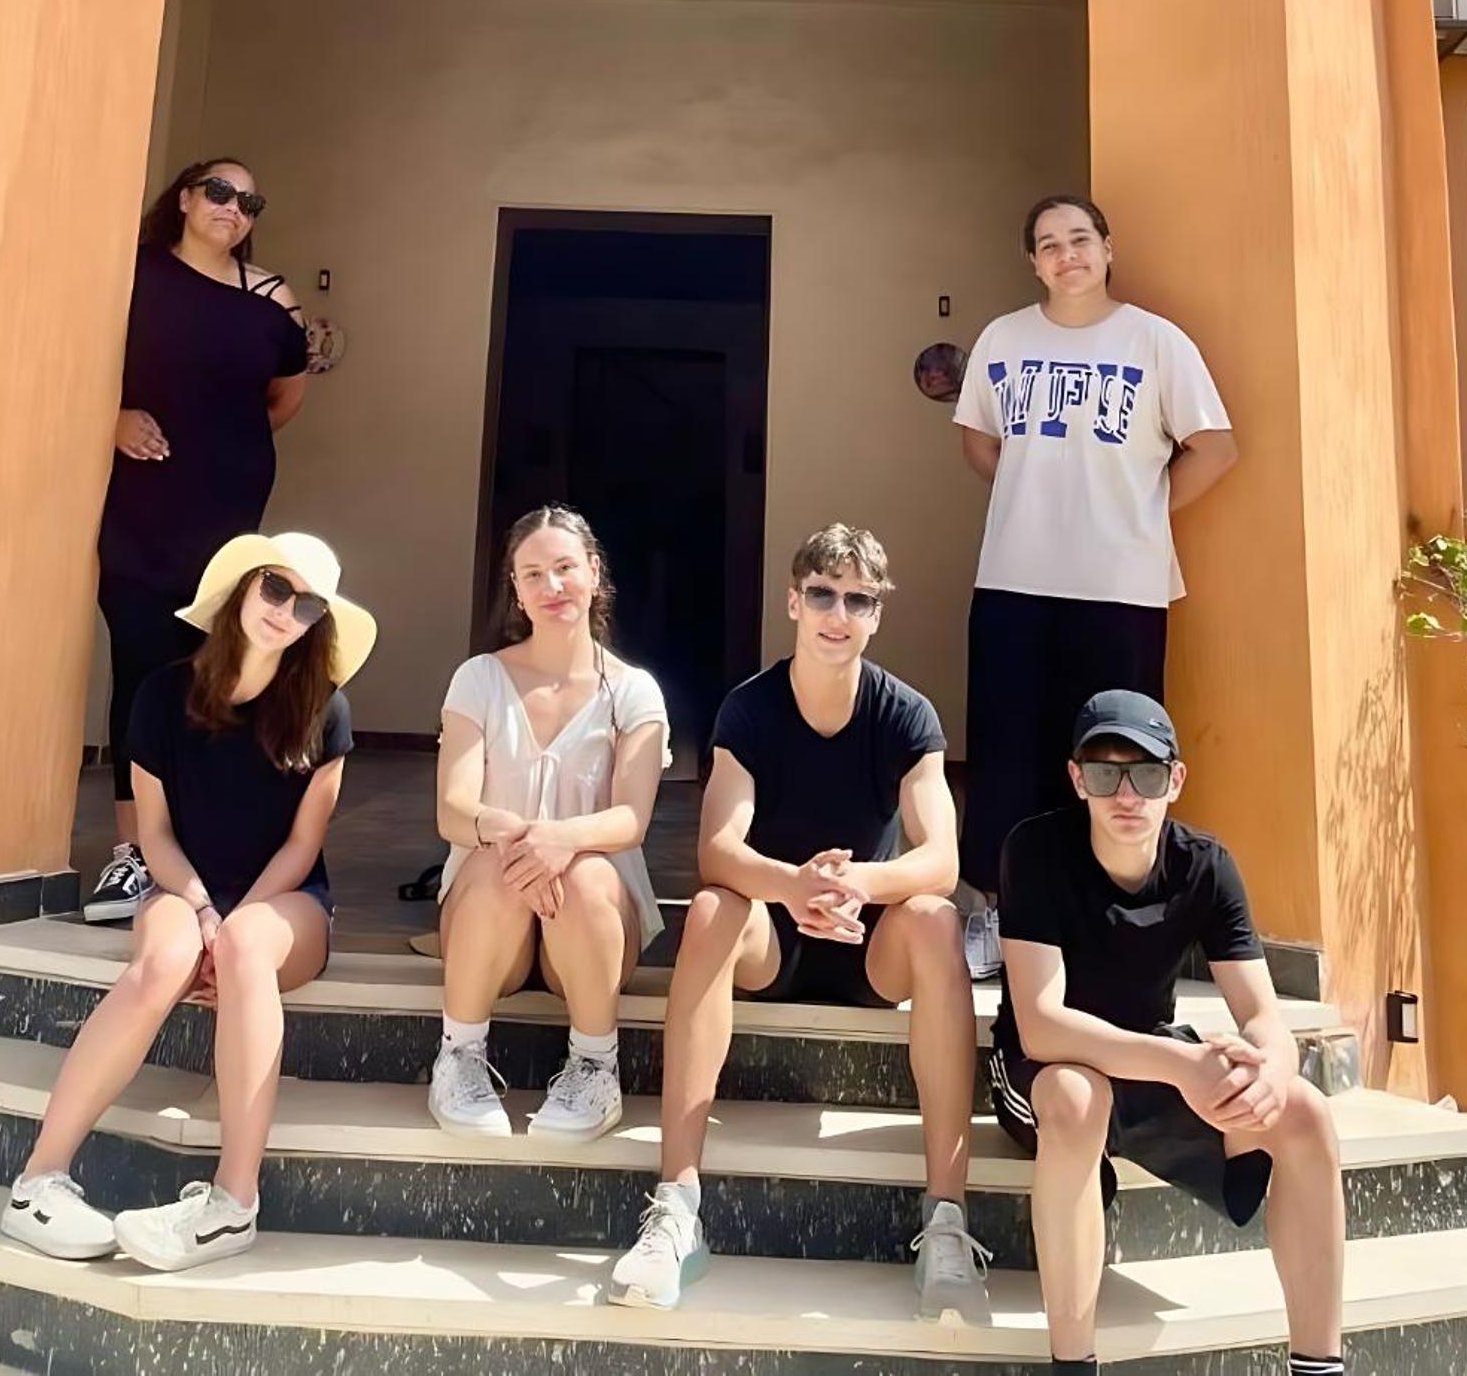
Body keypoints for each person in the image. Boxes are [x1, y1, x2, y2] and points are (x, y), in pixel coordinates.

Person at [609, 524, 989, 1325]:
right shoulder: (750, 708)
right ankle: (676, 1208)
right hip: (773, 938)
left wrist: (852, 885)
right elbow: (717, 849)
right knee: (711, 908)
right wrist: (794, 887)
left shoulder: (906, 714)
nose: (837, 615)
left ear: (877, 613)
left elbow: (941, 858)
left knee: (933, 920)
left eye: (858, 600)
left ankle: (947, 1223)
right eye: (822, 594)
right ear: (793, 601)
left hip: (868, 942)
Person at [1, 533, 375, 1273]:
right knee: (163, 958)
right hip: (184, 885)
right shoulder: (161, 696)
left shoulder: (327, 711)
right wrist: (203, 911)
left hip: (285, 901)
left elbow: (303, 846)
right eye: (275, 588)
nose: (285, 611)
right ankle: (37, 1183)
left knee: (246, 947)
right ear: (242, 588)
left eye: (306, 605)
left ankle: (232, 1206)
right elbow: (155, 835)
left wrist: (230, 929)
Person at [992, 690, 1344, 1376]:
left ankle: (1319, 1367)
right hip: (1050, 1070)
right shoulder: (1035, 850)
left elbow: (1262, 1015)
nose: (1126, 795)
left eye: (1147, 775)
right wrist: (1182, 1066)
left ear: (1175, 780)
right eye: (1105, 773)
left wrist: (1274, 1070)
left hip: (1148, 1057)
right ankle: (1073, 1365)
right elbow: (1041, 1026)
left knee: (1306, 1112)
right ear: (1077, 780)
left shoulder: (1205, 865)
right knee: (1076, 1096)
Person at [954, 193, 1236, 976]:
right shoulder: (1004, 339)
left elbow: (1216, 448)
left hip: (1121, 588)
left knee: (1115, 757)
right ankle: (999, 910)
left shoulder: (1154, 341)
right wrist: (1037, 497)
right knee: (1007, 750)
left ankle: (1102, 918)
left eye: (1080, 238)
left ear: (1108, 249)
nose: (1066, 254)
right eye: (1048, 243)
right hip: (1014, 579)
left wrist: (1140, 508)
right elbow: (977, 440)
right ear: (1032, 261)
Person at [87, 158, 312, 923]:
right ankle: (132, 854)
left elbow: (285, 395)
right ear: (184, 199)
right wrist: (111, 419)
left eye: (249, 201)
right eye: (219, 192)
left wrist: (230, 444)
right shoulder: (136, 274)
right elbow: (80, 364)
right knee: (141, 664)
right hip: (143, 504)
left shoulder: (272, 297)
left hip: (228, 517)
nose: (233, 208)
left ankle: (194, 850)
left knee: (209, 671)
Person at [428, 505, 669, 1142]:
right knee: (494, 865)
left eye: (565, 568)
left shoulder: (634, 691)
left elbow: (631, 818)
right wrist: (521, 843)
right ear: (515, 588)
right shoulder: (479, 679)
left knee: (586, 875)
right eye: (533, 574)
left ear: (594, 573)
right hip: (491, 920)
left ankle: (595, 1066)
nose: (552, 586)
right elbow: (453, 809)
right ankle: (460, 1056)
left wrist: (561, 840)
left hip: (591, 922)